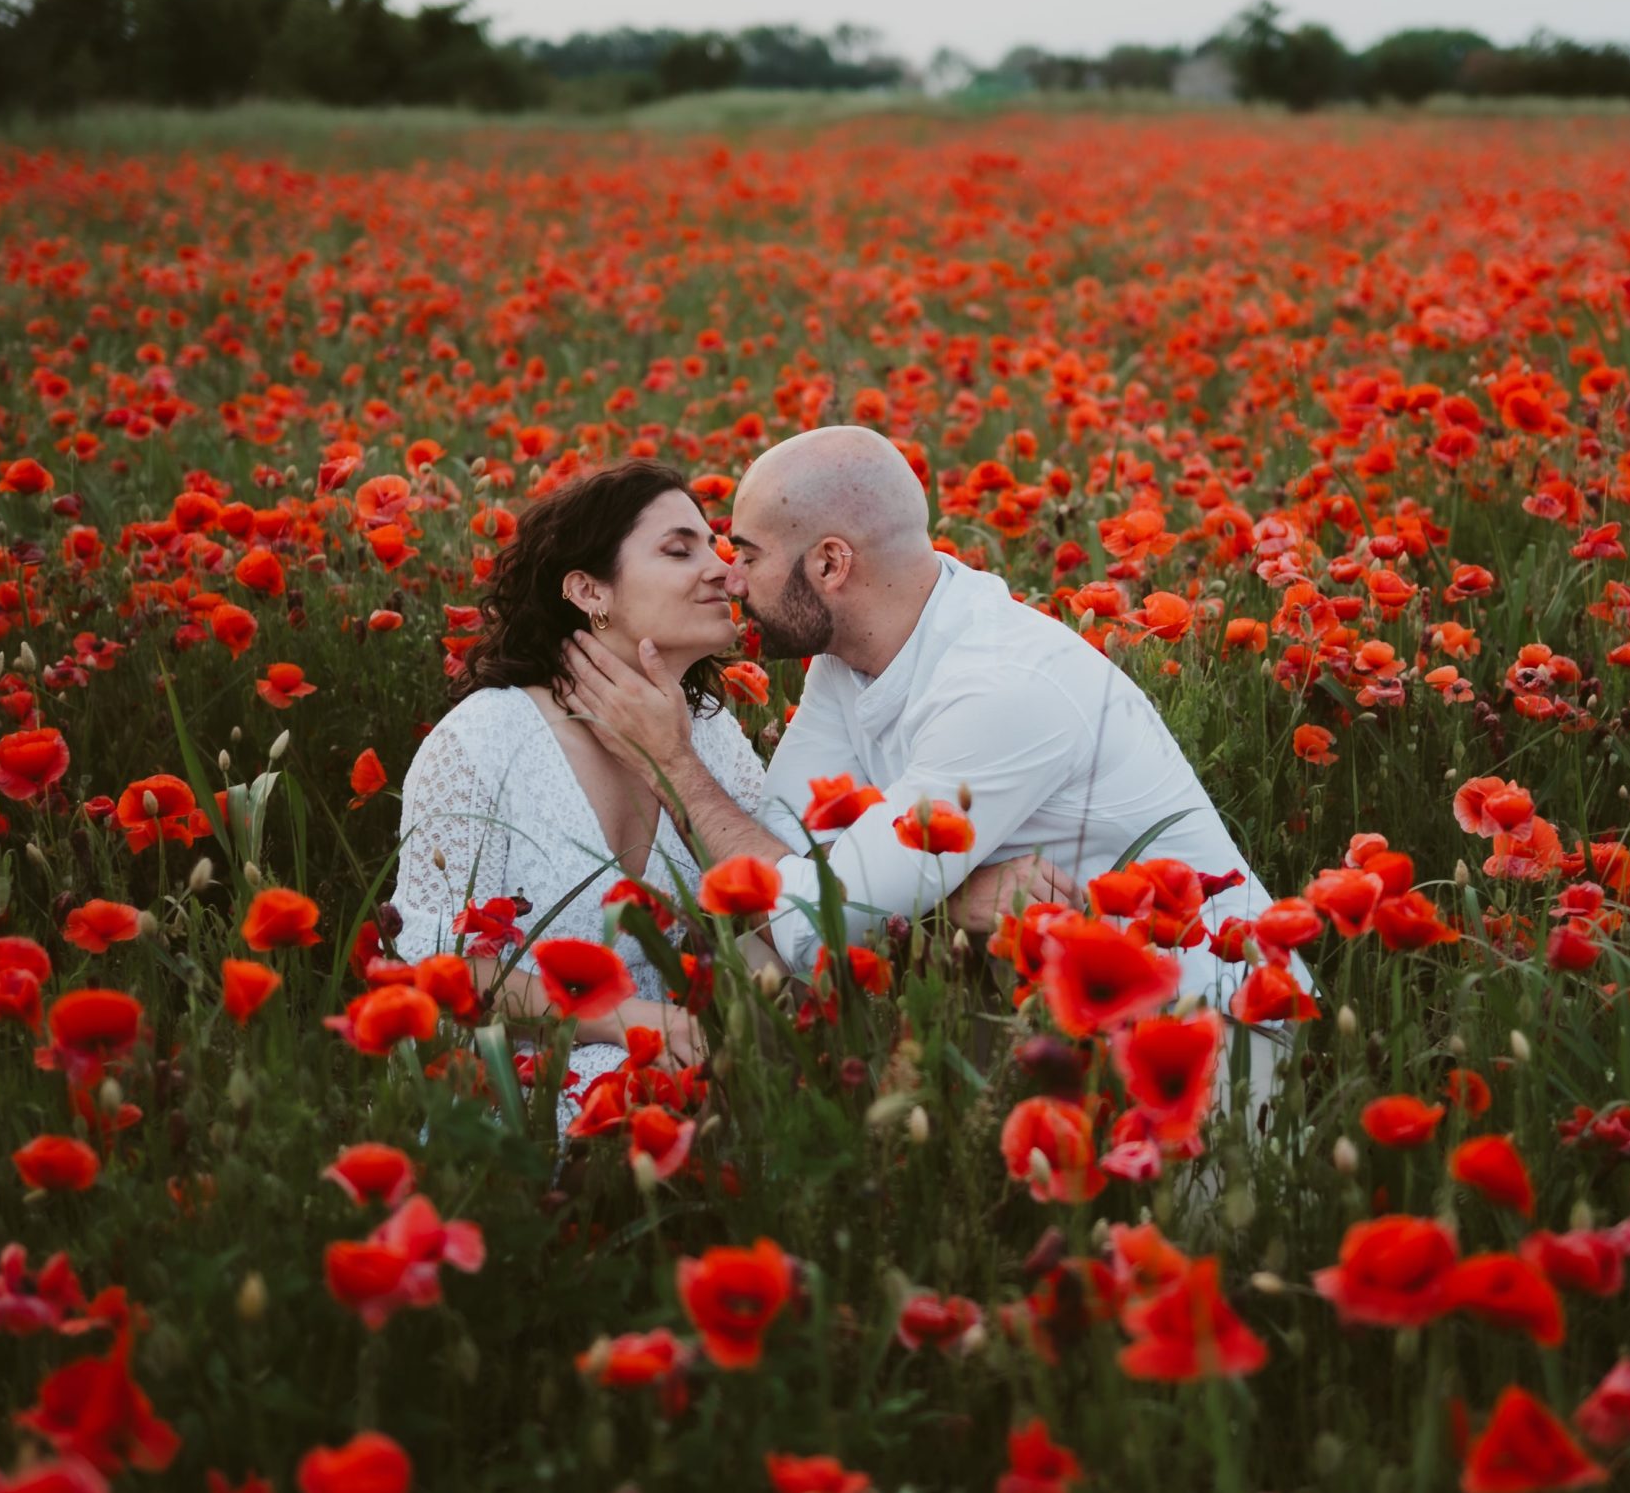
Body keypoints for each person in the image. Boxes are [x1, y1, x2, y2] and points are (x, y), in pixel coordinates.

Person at [554, 427, 1304, 1087]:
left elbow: (818, 913)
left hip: (1209, 1025)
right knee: (759, 965)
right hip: (1050, 1006)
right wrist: (952, 900)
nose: (733, 579)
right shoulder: (850, 660)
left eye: (746, 552)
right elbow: (784, 868)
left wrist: (671, 762)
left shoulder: (998, 686)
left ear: (830, 564)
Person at [389, 459, 1048, 1137]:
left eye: (717, 544)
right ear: (589, 589)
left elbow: (783, 900)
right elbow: (433, 966)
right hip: (521, 1083)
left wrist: (951, 902)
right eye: (680, 549)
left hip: (697, 1073)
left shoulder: (708, 735)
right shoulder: (482, 741)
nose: (724, 570)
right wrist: (624, 1020)